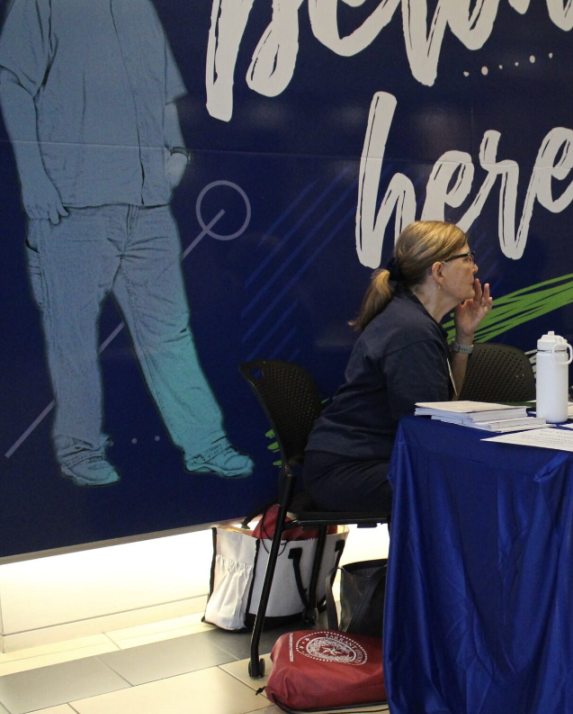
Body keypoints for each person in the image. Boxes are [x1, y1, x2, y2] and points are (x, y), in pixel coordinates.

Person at [0, 0, 253, 485]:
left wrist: (176, 150)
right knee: (72, 335)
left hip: (147, 208)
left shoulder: (137, 8)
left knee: (170, 333)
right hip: (74, 205)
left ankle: (205, 444)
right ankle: (78, 449)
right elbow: (13, 82)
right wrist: (33, 179)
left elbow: (160, 94)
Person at [303, 221, 493, 512]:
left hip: (365, 462)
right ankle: (428, 559)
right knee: (471, 482)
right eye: (467, 258)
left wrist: (464, 336)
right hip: (349, 471)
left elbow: (443, 407)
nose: (475, 267)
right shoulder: (411, 331)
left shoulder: (413, 320)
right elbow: (427, 430)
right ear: (439, 271)